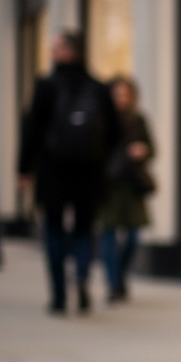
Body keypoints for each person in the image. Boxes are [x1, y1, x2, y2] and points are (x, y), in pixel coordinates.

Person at [17, 29, 120, 313]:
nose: (52, 50)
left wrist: (24, 169)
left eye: (57, 45)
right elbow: (114, 133)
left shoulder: (47, 86)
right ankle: (83, 277)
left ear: (69, 51)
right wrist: (102, 162)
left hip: (53, 171)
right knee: (85, 230)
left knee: (53, 230)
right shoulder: (98, 88)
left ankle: (60, 295)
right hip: (90, 172)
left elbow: (32, 131)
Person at [98, 76, 155, 303]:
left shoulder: (138, 120)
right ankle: (113, 285)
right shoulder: (101, 120)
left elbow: (152, 148)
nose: (121, 99)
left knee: (132, 238)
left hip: (131, 186)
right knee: (109, 235)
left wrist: (143, 150)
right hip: (108, 186)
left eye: (125, 94)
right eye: (117, 94)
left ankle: (120, 276)